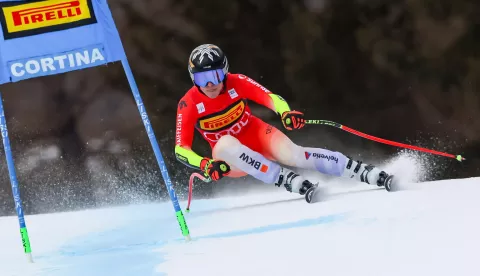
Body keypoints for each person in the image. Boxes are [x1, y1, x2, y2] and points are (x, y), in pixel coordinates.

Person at [175, 44, 393, 199]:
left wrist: (285, 113)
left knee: (294, 154)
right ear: (193, 78)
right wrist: (205, 164)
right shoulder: (189, 103)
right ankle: (286, 179)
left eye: (215, 75)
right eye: (202, 78)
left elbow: (270, 98)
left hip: (256, 134)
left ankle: (361, 170)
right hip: (231, 160)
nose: (210, 84)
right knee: (225, 143)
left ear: (225, 72)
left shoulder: (236, 82)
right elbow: (180, 149)